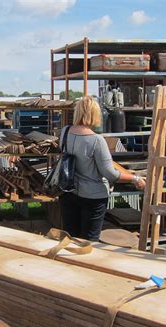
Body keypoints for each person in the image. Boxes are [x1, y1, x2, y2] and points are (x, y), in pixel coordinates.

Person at [59, 96, 145, 240]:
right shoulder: (97, 140)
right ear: (94, 114)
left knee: (70, 238)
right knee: (89, 241)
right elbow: (110, 173)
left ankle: (69, 262)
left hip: (68, 192)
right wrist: (135, 178)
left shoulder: (65, 131)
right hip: (93, 197)